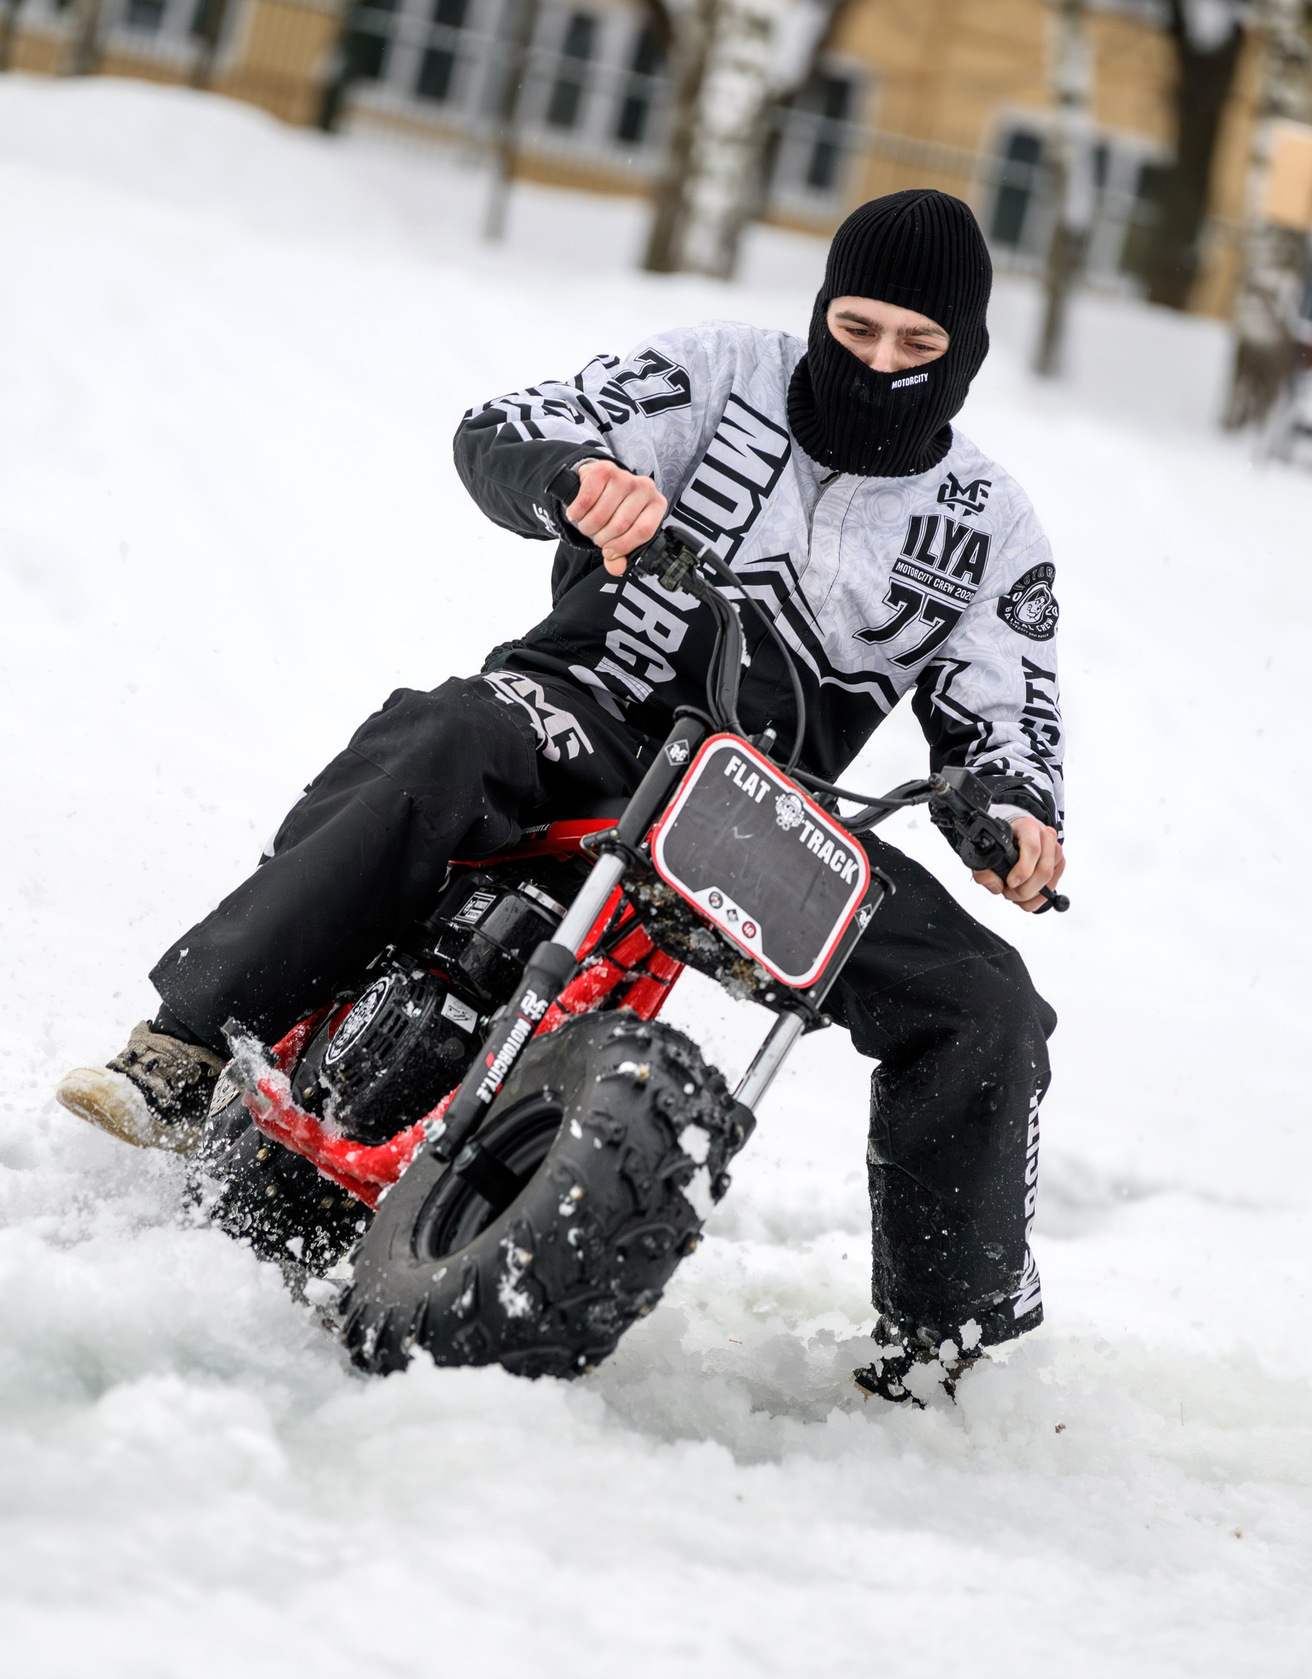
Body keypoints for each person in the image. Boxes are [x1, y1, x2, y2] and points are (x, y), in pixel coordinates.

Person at [58, 189, 1065, 1401]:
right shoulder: (714, 375)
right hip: (584, 709)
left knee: (981, 997)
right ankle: (183, 1047)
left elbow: (1008, 718)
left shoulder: (987, 524)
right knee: (445, 732)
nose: (881, 363)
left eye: (918, 344)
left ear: (966, 351)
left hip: (755, 807)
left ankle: (946, 1345)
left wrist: (1014, 813)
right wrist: (574, 479)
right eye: (855, 330)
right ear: (820, 313)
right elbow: (501, 429)